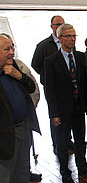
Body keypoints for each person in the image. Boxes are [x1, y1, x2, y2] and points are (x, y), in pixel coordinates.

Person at [44, 24, 87, 183]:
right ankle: (65, 172)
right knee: (62, 144)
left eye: (74, 36)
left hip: (79, 107)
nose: (72, 39)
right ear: (60, 38)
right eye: (68, 36)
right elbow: (50, 90)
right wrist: (54, 113)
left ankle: (82, 167)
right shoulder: (51, 61)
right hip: (61, 110)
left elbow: (84, 83)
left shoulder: (81, 57)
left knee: (81, 140)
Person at [1, 32, 42, 182]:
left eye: (12, 47)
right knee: (6, 174)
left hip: (24, 127)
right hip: (5, 135)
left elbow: (31, 87)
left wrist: (18, 75)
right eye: (7, 49)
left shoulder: (16, 66)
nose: (12, 52)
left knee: (23, 169)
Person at [31, 15, 74, 154]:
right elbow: (35, 64)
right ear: (52, 27)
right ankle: (57, 144)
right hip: (52, 87)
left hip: (68, 87)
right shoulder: (44, 45)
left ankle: (68, 141)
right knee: (56, 116)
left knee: (69, 115)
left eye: (62, 24)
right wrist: (46, 76)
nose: (59, 26)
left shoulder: (69, 42)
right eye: (57, 25)